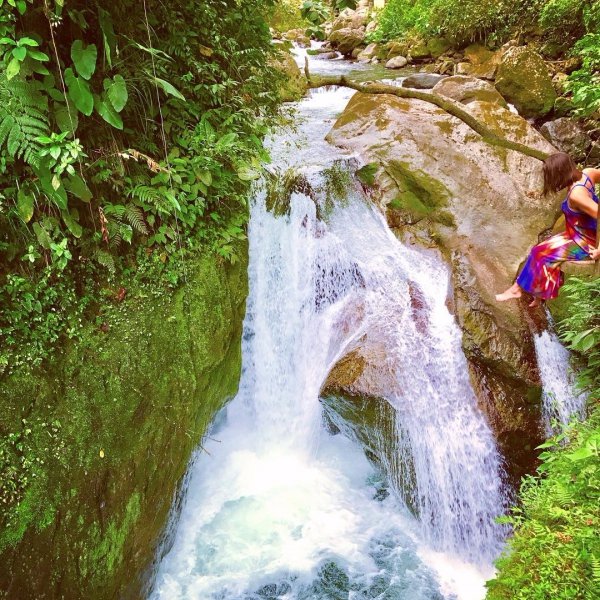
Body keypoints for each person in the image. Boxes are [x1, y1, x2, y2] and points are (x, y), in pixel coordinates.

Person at [496, 152, 600, 308]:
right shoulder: (588, 173)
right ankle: (527, 292)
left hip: (584, 241)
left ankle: (519, 290)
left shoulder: (577, 195)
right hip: (575, 233)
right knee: (537, 249)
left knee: (541, 254)